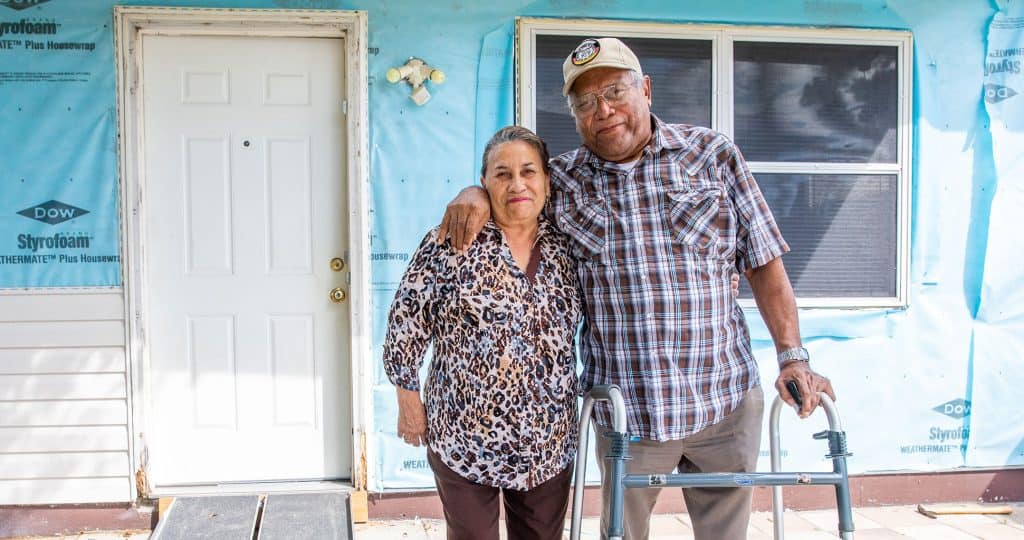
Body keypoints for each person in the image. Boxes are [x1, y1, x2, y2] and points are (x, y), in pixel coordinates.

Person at [438, 37, 836, 540]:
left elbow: (763, 262)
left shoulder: (711, 155)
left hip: (724, 402)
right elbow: (511, 191)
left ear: (645, 89)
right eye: (584, 102)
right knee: (621, 535)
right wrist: (473, 190)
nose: (602, 110)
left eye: (614, 91)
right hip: (628, 409)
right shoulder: (560, 181)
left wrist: (792, 355)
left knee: (726, 536)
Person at [383, 126, 584, 540]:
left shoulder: (569, 246)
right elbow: (407, 319)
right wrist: (408, 400)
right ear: (484, 182)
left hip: (547, 441)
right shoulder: (454, 239)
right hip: (464, 436)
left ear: (546, 181)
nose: (517, 184)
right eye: (502, 174)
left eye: (528, 172)